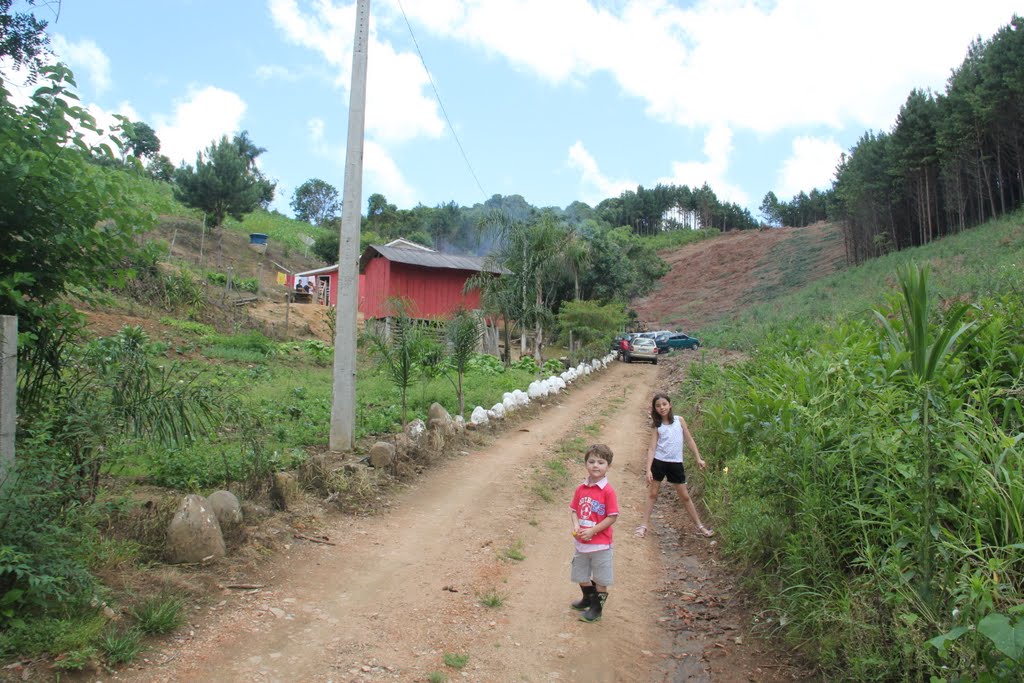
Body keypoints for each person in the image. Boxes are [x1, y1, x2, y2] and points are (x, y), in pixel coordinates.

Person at [635, 392, 713, 539]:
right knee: (652, 494)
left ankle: (700, 526)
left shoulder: (679, 421)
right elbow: (652, 448)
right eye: (658, 406)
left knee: (685, 496)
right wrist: (648, 470)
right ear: (655, 409)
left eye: (664, 404)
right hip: (659, 462)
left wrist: (698, 458)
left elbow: (689, 440)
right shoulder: (657, 426)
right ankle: (643, 526)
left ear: (670, 405)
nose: (662, 408)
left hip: (676, 463)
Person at [569, 443, 619, 623]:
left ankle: (597, 609)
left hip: (600, 544)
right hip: (582, 543)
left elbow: (612, 517)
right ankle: (587, 599)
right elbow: (574, 509)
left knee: (600, 579)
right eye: (591, 461)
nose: (595, 466)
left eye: (601, 462)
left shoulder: (607, 491)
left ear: (608, 466)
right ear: (586, 464)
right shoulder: (581, 489)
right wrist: (576, 526)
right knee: (580, 575)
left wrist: (592, 531)